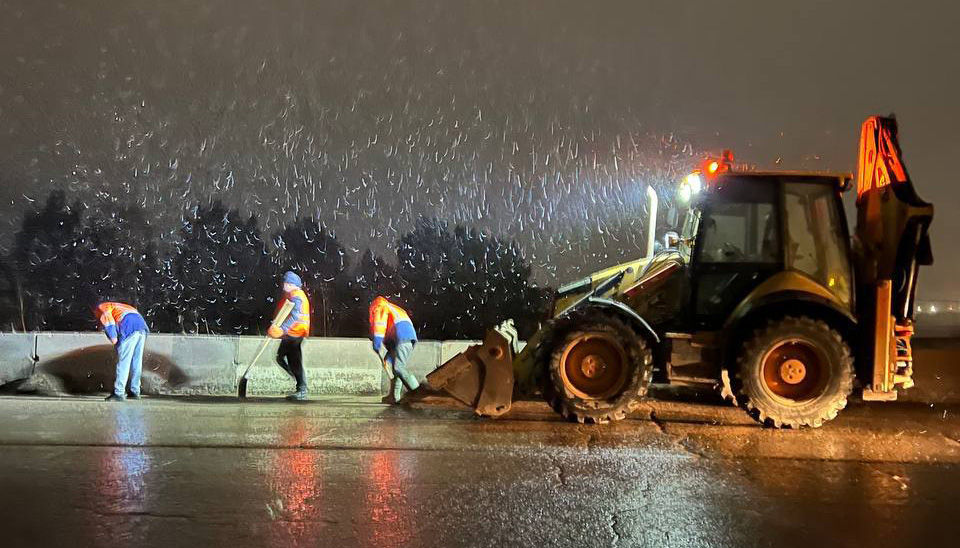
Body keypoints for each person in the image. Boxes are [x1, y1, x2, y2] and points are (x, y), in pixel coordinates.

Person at [94, 301, 149, 402]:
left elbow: (110, 326)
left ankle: (119, 393)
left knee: (124, 361)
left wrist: (114, 340)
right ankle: (135, 391)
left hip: (129, 327)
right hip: (142, 327)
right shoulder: (120, 306)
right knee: (136, 361)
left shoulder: (101, 308)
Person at [369, 296, 420, 404]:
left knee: (398, 368)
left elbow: (380, 325)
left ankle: (418, 394)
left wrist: (377, 342)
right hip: (402, 339)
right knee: (392, 365)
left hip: (402, 338)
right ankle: (394, 397)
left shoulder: (380, 307)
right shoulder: (392, 308)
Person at [269, 271, 311, 401]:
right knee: (285, 357)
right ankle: (299, 384)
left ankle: (301, 387)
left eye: (286, 283)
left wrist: (282, 329)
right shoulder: (293, 295)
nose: (284, 285)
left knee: (289, 359)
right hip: (293, 333)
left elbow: (295, 317)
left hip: (295, 333)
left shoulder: (297, 297)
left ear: (292, 284)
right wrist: (276, 325)